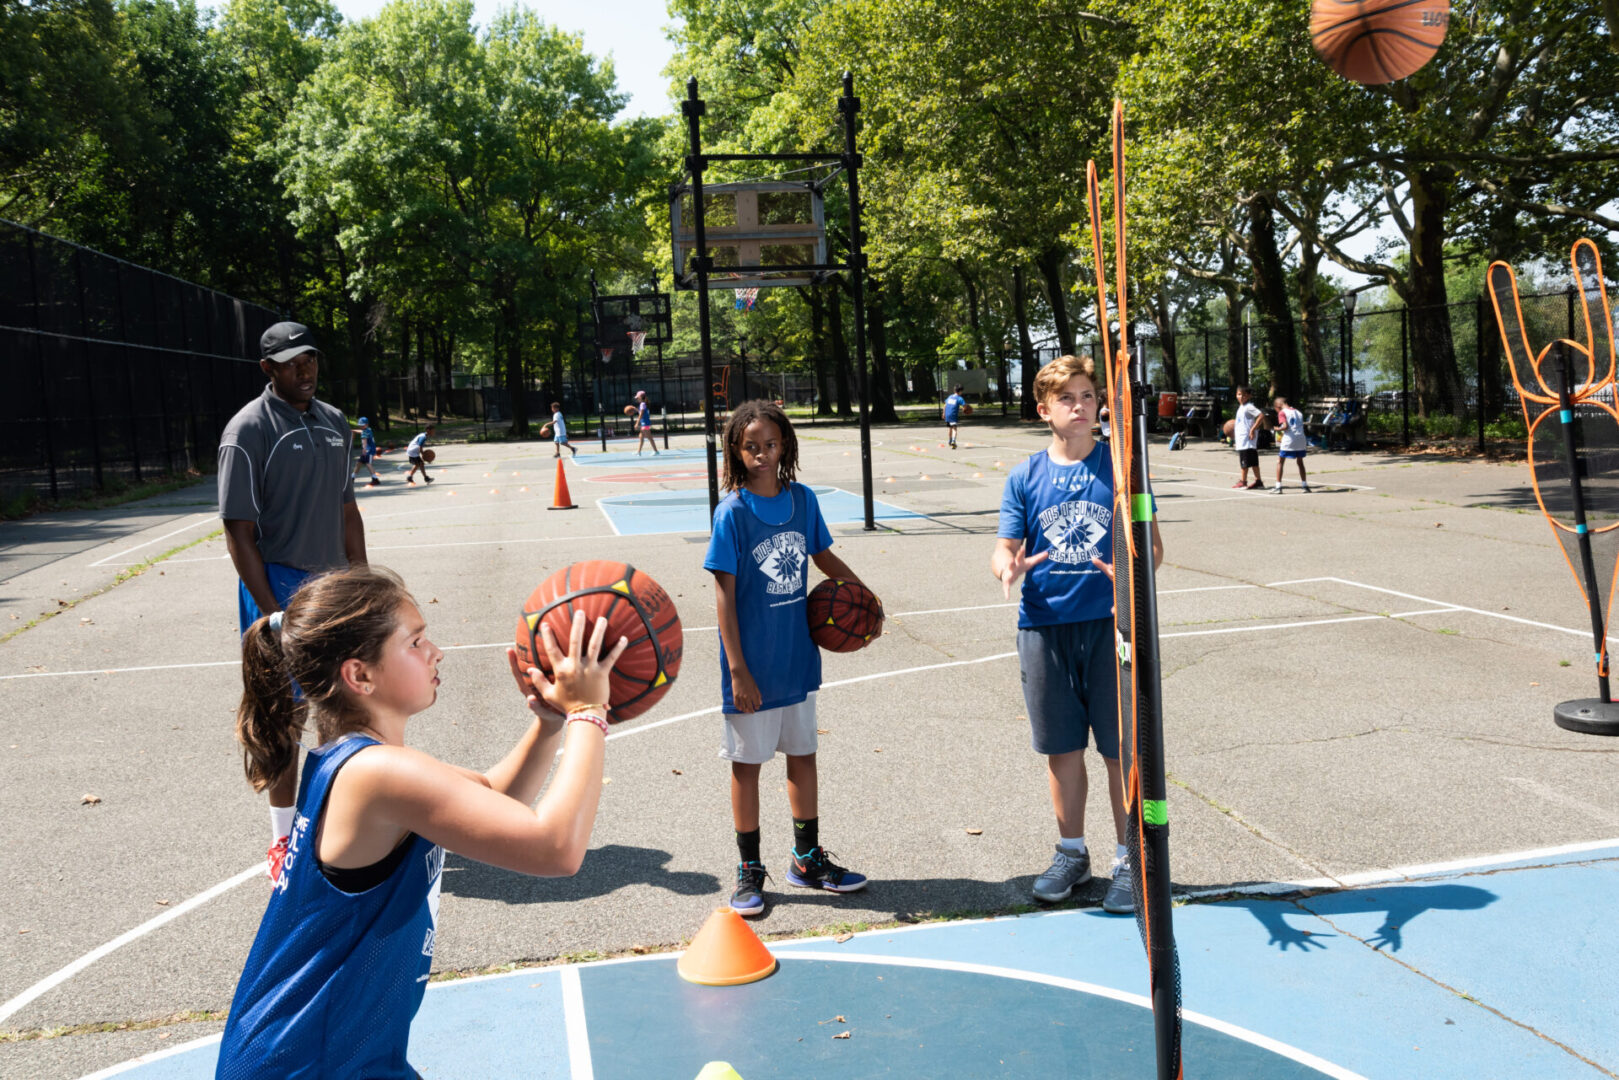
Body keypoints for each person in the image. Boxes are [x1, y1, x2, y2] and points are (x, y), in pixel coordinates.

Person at [215, 567, 624, 1077]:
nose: (436, 652)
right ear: (360, 676)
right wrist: (588, 711)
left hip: (324, 1055)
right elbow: (557, 849)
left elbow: (496, 798)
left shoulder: (361, 762)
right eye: (415, 641)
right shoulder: (379, 774)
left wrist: (548, 726)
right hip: (308, 1064)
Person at [991, 354, 1163, 914]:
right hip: (1043, 628)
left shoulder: (1122, 468)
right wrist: (1008, 569)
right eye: (1068, 398)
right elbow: (1004, 549)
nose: (1081, 406)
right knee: (1061, 749)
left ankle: (1126, 860)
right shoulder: (1025, 476)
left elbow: (1154, 549)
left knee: (1120, 751)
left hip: (1109, 628)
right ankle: (1071, 852)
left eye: (1088, 396)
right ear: (1044, 411)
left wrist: (1131, 572)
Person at [704, 400, 882, 918]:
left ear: (786, 446)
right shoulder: (732, 512)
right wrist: (737, 669)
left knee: (803, 756)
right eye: (751, 446)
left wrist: (863, 596)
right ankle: (749, 869)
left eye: (771, 444)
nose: (762, 454)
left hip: (797, 659)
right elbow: (723, 595)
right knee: (747, 767)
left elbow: (823, 558)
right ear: (737, 451)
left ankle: (806, 859)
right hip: (753, 668)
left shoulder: (802, 502)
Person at [218, 321, 366, 877]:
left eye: (310, 360)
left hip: (332, 588)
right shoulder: (248, 430)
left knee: (345, 706)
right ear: (269, 369)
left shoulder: (333, 423)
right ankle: (283, 842)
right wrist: (270, 608)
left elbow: (347, 509)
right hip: (277, 582)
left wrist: (364, 584)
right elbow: (239, 531)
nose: (305, 370)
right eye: (291, 362)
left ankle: (340, 824)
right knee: (285, 716)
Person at [1271, 396, 1311, 494]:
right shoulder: (1298, 412)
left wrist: (1276, 429)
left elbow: (1285, 426)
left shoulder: (1282, 412)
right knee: (1300, 462)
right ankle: (1305, 486)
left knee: (1280, 461)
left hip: (1290, 440)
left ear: (1278, 406)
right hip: (1301, 439)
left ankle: (1278, 487)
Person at [1231, 385, 1264, 489]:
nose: (1241, 397)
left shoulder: (1248, 407)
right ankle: (1258, 481)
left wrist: (1253, 429)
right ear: (1236, 395)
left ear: (1249, 396)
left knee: (1244, 463)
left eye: (1244, 395)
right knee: (1254, 462)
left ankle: (1243, 481)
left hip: (1247, 440)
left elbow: (1261, 415)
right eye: (1239, 394)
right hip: (1243, 439)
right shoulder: (1242, 407)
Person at [353, 417, 382, 487]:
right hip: (369, 449)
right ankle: (352, 477)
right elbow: (361, 431)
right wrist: (354, 431)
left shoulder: (365, 432)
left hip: (368, 450)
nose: (361, 426)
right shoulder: (368, 429)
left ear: (366, 424)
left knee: (368, 463)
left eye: (362, 425)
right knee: (358, 463)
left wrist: (364, 450)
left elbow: (364, 442)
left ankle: (375, 479)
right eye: (360, 425)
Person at [633, 390, 659, 456]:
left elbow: (641, 414)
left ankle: (656, 451)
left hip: (645, 424)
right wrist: (635, 409)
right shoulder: (643, 404)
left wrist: (637, 423)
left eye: (637, 397)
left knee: (649, 438)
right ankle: (639, 452)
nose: (637, 399)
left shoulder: (642, 404)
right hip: (644, 424)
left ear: (641, 397)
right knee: (641, 437)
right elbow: (641, 412)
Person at [943, 384, 966, 449]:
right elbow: (964, 407)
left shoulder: (950, 397)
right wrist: (965, 410)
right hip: (953, 415)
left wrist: (943, 413)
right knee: (954, 429)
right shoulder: (960, 398)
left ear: (954, 390)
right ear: (960, 391)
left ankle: (950, 440)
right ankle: (953, 441)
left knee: (950, 428)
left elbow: (945, 405)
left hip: (947, 414)